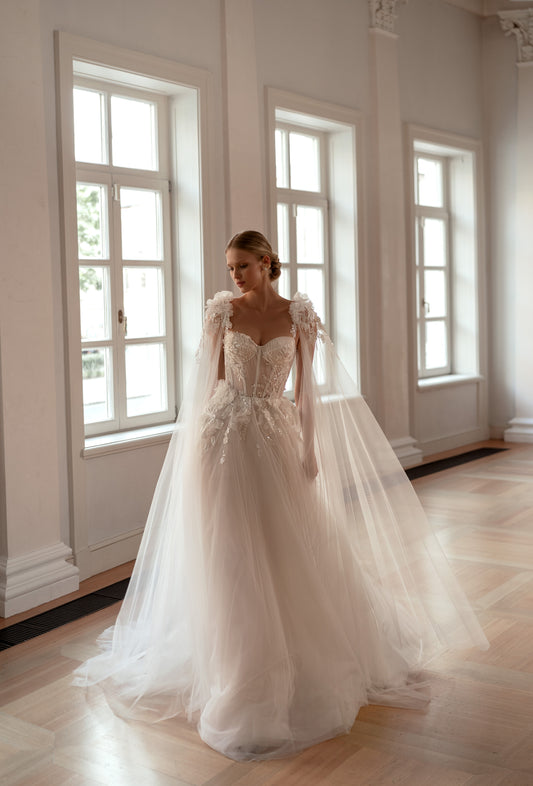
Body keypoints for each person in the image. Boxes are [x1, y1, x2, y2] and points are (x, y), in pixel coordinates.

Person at [74, 230, 488, 761]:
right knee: (229, 551)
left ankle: (289, 658)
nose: (234, 276)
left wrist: (310, 450)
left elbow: (307, 392)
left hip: (276, 436)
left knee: (284, 544)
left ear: (268, 263)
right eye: (230, 268)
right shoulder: (222, 314)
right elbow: (211, 386)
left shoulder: (300, 317)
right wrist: (199, 451)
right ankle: (237, 666)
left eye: (242, 266)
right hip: (223, 439)